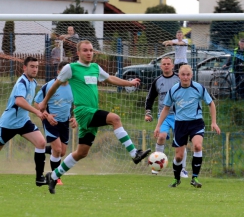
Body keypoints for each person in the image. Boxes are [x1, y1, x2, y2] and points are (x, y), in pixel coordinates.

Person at [38, 40, 151, 194]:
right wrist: (44, 102)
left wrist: (129, 83)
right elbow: (55, 85)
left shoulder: (95, 68)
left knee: (81, 152)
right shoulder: (70, 68)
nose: (89, 53)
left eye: (91, 50)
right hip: (83, 112)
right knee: (115, 118)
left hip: (92, 111)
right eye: (85, 50)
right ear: (78, 53)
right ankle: (134, 153)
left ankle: (54, 175)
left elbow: (110, 78)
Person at [154, 65, 221, 188]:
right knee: (179, 156)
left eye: (187, 74)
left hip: (196, 122)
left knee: (197, 145)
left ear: (191, 75)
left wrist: (214, 122)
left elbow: (211, 104)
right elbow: (166, 108)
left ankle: (195, 178)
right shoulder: (173, 90)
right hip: (180, 124)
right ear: (178, 76)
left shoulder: (198, 88)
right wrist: (158, 126)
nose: (185, 77)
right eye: (183, 74)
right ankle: (176, 179)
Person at [0, 57, 47, 187]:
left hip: (23, 121)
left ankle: (39, 178)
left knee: (41, 143)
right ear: (24, 68)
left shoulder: (34, 82)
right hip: (9, 123)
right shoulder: (22, 82)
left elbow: (31, 102)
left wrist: (44, 112)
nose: (35, 69)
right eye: (32, 66)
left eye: (36, 66)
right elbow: (19, 101)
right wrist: (36, 112)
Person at [34, 61, 77, 186]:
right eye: (64, 71)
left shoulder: (73, 87)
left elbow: (74, 104)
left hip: (64, 123)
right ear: (58, 72)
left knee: (61, 152)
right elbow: (37, 103)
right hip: (50, 122)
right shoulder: (49, 86)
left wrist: (74, 117)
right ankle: (55, 178)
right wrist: (46, 115)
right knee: (57, 150)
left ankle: (40, 150)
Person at [145, 57, 188, 177]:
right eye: (164, 64)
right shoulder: (157, 81)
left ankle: (183, 169)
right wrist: (148, 112)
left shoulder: (179, 79)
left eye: (168, 63)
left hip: (179, 116)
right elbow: (150, 98)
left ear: (173, 65)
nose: (166, 66)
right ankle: (156, 166)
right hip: (163, 115)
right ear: (161, 66)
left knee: (181, 143)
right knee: (162, 136)